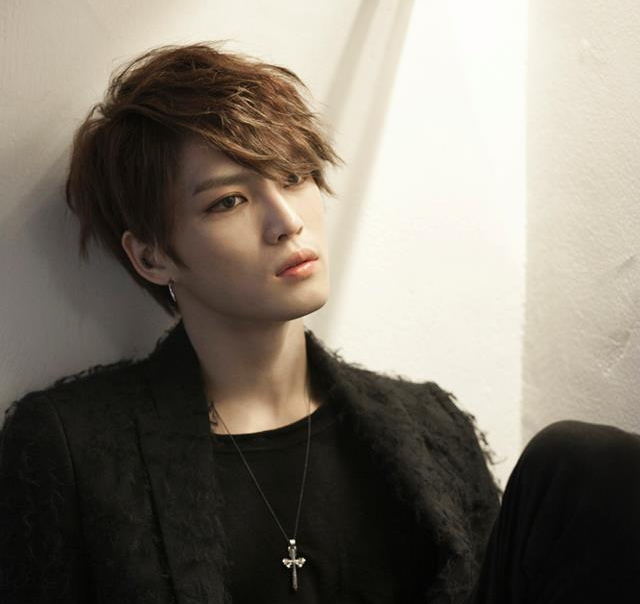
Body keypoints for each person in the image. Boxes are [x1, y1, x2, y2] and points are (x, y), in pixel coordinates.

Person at [0, 42, 638, 604]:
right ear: (150, 256)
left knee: (581, 465)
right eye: (229, 200)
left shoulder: (428, 427)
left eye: (295, 176)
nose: (287, 220)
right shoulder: (72, 447)